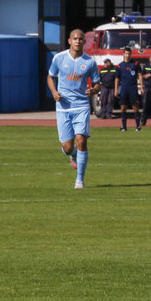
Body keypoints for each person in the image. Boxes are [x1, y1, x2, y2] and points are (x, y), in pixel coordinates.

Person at [46, 29, 100, 190]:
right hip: (63, 108)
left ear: (84, 42)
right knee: (67, 147)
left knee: (81, 141)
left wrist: (94, 90)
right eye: (75, 38)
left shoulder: (89, 62)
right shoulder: (59, 58)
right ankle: (73, 155)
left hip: (82, 106)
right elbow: (50, 76)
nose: (77, 41)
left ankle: (80, 180)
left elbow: (97, 83)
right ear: (69, 41)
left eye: (80, 39)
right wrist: (54, 92)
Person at [114, 47, 143, 132]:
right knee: (123, 107)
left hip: (133, 88)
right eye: (126, 53)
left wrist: (142, 87)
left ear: (131, 54)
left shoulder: (135, 64)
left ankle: (137, 126)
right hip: (124, 88)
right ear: (123, 54)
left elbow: (140, 75)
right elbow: (117, 79)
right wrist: (116, 90)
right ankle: (124, 127)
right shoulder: (120, 65)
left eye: (129, 53)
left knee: (135, 107)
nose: (127, 55)